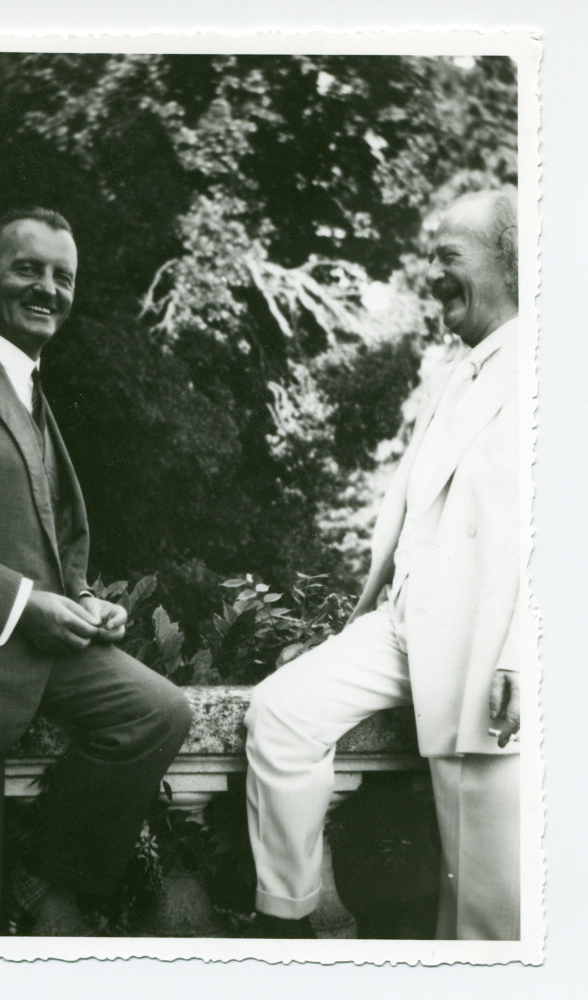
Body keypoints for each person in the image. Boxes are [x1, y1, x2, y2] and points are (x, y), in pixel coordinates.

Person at [245, 189, 523, 941]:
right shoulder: (452, 375)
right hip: (400, 627)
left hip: (482, 647)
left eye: (447, 256)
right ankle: (287, 917)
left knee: (485, 908)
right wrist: (349, 628)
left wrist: (522, 654)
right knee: (278, 713)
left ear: (510, 261)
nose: (430, 272)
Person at [0, 206, 193, 936]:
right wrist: (25, 603)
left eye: (62, 276)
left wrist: (88, 601)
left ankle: (42, 872)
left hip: (40, 650)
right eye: (27, 268)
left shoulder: (34, 396)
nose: (47, 288)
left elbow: (55, 546)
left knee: (156, 711)